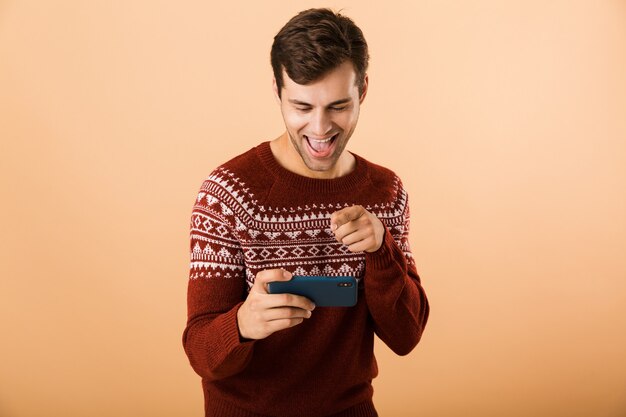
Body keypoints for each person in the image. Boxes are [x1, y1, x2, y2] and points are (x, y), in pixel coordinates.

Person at [182, 8, 429, 417]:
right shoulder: (226, 193)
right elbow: (200, 352)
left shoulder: (386, 192)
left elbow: (407, 336)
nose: (319, 129)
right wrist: (242, 323)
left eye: (338, 106)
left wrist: (382, 250)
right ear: (277, 90)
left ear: (363, 90)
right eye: (301, 106)